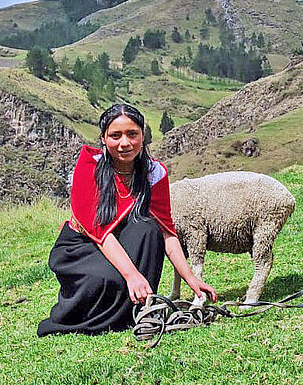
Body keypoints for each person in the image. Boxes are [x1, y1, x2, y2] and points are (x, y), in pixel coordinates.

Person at [38, 104, 216, 336]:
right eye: (115, 136)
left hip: (123, 240)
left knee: (149, 228)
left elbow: (167, 232)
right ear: (103, 138)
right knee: (105, 280)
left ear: (143, 136)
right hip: (82, 245)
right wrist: (132, 275)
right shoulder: (89, 166)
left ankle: (135, 309)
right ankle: (84, 318)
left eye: (132, 134)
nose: (125, 143)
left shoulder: (154, 173)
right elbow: (99, 230)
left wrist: (191, 278)